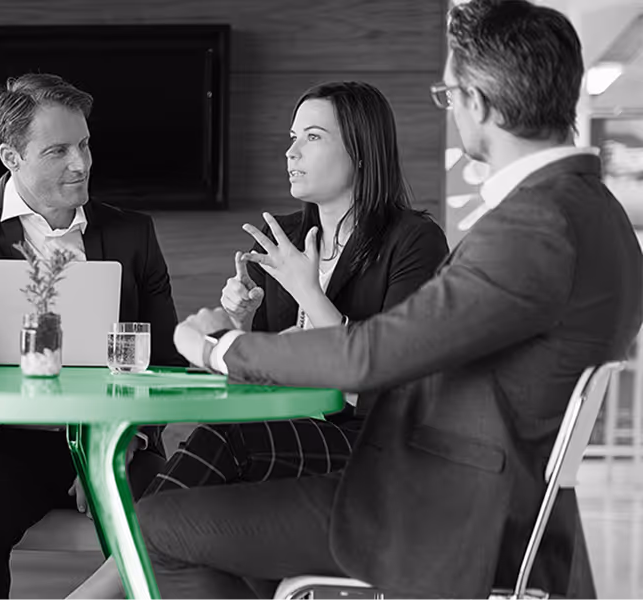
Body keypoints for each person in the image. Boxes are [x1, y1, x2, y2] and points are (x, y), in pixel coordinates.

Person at [154, 1, 643, 598]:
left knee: (156, 529)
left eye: (448, 95)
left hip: (437, 511)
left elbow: (373, 356)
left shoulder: (534, 225)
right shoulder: (594, 211)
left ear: (479, 104)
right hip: (478, 494)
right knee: (222, 517)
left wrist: (219, 348)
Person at [67, 80, 448, 600]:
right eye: (292, 137)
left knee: (219, 446)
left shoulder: (413, 241)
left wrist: (309, 292)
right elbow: (265, 371)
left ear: (361, 149)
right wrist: (241, 327)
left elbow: (388, 379)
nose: (290, 152)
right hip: (291, 433)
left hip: (374, 445)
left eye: (312, 137)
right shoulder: (282, 236)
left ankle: (93, 594)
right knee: (191, 501)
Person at [0, 72, 179, 599]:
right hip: (13, 443)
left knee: (166, 530)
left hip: (118, 434)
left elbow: (165, 358)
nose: (80, 163)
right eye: (58, 150)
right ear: (11, 156)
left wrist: (120, 444)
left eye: (83, 144)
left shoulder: (132, 232)